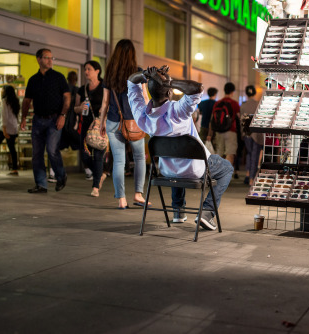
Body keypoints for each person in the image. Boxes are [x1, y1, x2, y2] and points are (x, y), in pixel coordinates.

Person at [126, 66, 234, 230]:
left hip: (167, 171)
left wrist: (146, 75)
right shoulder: (178, 110)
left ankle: (178, 211)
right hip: (195, 169)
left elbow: (131, 83)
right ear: (169, 92)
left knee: (175, 157)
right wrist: (167, 81)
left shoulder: (142, 116)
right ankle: (207, 211)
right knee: (227, 168)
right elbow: (197, 88)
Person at [99, 39, 148, 209]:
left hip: (113, 121)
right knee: (140, 157)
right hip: (134, 122)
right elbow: (145, 98)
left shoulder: (110, 73)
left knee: (119, 162)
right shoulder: (138, 73)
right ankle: (138, 195)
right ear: (132, 54)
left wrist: (101, 123)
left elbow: (105, 103)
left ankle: (121, 199)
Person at [21, 48, 70, 193]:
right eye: (47, 58)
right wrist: (23, 118)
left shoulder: (59, 77)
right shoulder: (33, 80)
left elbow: (67, 98)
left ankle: (61, 175)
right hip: (37, 120)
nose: (50, 60)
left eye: (51, 58)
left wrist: (63, 115)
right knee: (37, 153)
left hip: (54, 119)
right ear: (39, 59)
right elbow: (27, 100)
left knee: (52, 150)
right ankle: (41, 184)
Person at [74, 60, 105, 197]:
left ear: (97, 71)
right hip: (86, 127)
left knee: (98, 155)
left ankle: (95, 187)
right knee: (85, 156)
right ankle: (101, 173)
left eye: (89, 69)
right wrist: (80, 108)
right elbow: (75, 108)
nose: (86, 72)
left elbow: (110, 104)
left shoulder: (105, 86)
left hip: (100, 125)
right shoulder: (82, 89)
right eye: (85, 69)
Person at [207, 82, 240, 173]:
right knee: (230, 153)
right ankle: (226, 175)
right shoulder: (234, 103)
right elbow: (239, 117)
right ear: (232, 92)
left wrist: (210, 133)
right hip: (231, 131)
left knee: (219, 153)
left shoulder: (218, 103)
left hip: (219, 131)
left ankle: (219, 175)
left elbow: (212, 118)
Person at [0, 85, 20, 175]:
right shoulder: (16, 101)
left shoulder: (4, 101)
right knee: (12, 148)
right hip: (14, 128)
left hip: (5, 128)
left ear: (5, 92)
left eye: (2, 90)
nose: (1, 91)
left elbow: (4, 116)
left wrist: (4, 130)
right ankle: (14, 169)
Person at [240, 85, 263, 186]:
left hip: (246, 133)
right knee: (254, 155)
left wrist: (242, 133)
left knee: (249, 154)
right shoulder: (258, 104)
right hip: (256, 134)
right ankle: (251, 179)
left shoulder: (243, 105)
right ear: (254, 93)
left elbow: (241, 120)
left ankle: (247, 173)